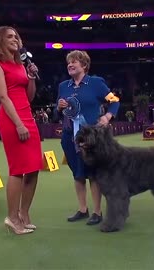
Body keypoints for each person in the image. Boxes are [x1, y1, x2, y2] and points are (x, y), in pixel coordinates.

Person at [0, 26, 42, 235]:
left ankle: (24, 214)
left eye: (16, 36)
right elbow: (2, 96)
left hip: (27, 115)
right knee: (18, 169)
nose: (15, 39)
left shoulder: (19, 65)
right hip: (12, 119)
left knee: (34, 167)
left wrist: (32, 77)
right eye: (9, 36)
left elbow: (29, 97)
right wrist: (18, 124)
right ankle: (12, 217)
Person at [57, 50, 120, 225]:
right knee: (77, 174)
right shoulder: (63, 86)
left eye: (74, 61)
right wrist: (60, 106)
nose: (70, 64)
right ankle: (82, 209)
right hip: (70, 137)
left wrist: (107, 117)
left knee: (93, 174)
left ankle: (97, 212)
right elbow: (58, 111)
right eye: (69, 62)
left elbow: (115, 101)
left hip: (92, 138)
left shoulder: (96, 83)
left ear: (84, 65)